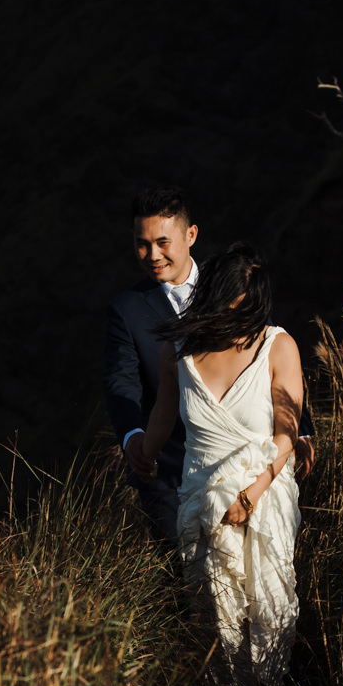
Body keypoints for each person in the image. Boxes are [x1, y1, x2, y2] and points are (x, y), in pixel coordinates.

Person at [134, 242, 305, 686]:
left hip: (265, 492)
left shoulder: (278, 346)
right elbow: (162, 420)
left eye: (247, 307)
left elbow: (287, 431)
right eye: (229, 304)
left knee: (268, 604)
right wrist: (137, 452)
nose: (238, 317)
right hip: (202, 502)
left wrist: (254, 491)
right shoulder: (179, 351)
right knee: (215, 617)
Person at [104, 187, 202, 545]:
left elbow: (269, 353)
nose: (152, 255)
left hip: (240, 459)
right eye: (141, 244)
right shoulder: (125, 310)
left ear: (190, 235)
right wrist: (133, 436)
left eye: (163, 242)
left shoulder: (232, 289)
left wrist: (298, 429)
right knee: (182, 579)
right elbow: (121, 380)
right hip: (166, 467)